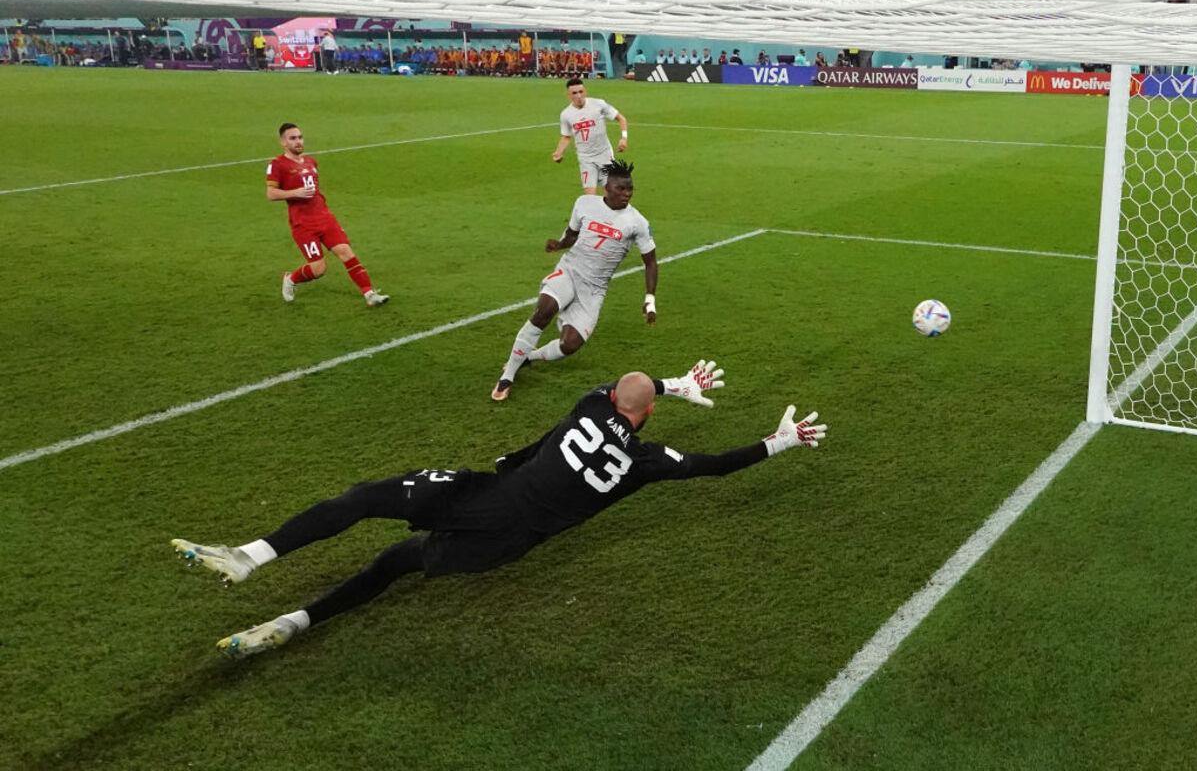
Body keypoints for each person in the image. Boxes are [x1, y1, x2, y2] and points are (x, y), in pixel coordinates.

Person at [171, 363, 828, 658]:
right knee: (397, 563)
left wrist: (674, 383)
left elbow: (618, 388)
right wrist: (779, 441)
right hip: (505, 540)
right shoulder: (646, 461)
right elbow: (713, 465)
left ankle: (252, 556)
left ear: (617, 400)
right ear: (648, 417)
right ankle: (297, 621)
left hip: (482, 493)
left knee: (365, 499)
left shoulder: (588, 404)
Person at [491, 159, 653, 401]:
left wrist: (650, 299)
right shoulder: (585, 203)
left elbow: (650, 261)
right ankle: (508, 377)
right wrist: (559, 245)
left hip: (594, 289)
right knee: (543, 310)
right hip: (570, 270)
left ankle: (528, 357)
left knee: (570, 345)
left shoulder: (637, 222)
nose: (627, 194)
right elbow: (572, 235)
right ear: (607, 187)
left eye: (630, 189)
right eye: (621, 189)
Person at [267, 123, 389, 307]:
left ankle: (369, 294)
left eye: (300, 137)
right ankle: (290, 279)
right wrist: (295, 193)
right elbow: (271, 194)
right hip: (303, 225)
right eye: (292, 138)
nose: (298, 141)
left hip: (325, 218)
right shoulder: (277, 165)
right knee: (319, 269)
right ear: (283, 142)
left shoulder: (311, 162)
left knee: (346, 253)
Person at [552, 77, 628, 195]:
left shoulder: (598, 104)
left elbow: (621, 118)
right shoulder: (566, 114)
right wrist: (559, 152)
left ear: (585, 91)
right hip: (585, 158)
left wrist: (624, 138)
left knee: (611, 195)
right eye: (574, 93)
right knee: (590, 198)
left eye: (581, 92)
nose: (578, 96)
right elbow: (566, 136)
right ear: (568, 95)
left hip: (605, 155)